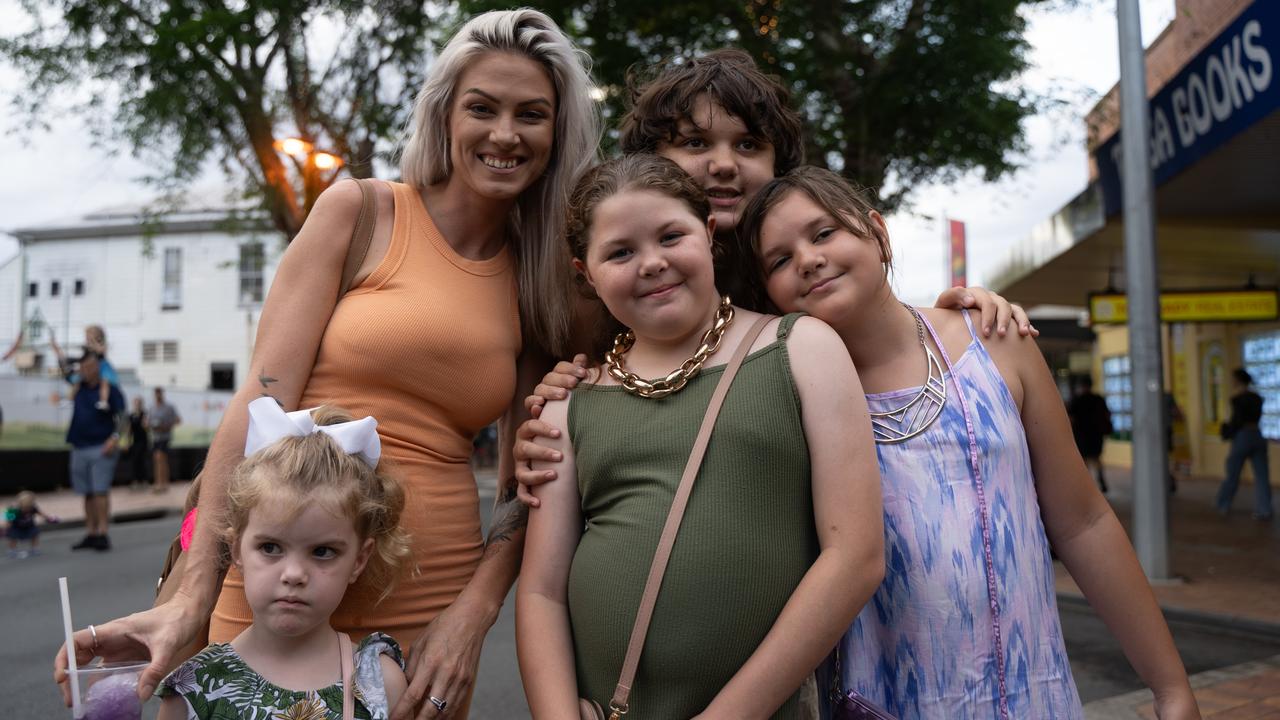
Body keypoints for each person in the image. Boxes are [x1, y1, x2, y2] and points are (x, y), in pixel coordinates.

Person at [56, 10, 601, 718]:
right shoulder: (363, 212)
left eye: (531, 114)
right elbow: (259, 398)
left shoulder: (538, 276)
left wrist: (474, 614)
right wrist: (195, 588)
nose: (505, 134)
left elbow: (523, 482)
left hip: (425, 591)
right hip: (271, 558)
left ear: (557, 134)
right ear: (444, 115)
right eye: (482, 108)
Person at [517, 154, 884, 718]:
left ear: (709, 235)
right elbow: (541, 590)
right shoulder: (570, 401)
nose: (652, 263)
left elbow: (855, 555)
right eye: (620, 252)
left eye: (671, 236)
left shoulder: (801, 347)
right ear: (586, 274)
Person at [150, 399, 410, 719]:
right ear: (235, 550)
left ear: (359, 559)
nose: (294, 574)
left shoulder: (380, 685)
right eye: (271, 547)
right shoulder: (194, 691)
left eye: (322, 551)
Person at [65, 350, 125, 552]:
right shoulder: (78, 387)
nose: (88, 370)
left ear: (98, 367)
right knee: (87, 492)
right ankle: (91, 532)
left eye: (91, 366)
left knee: (100, 491)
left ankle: (103, 532)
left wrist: (114, 438)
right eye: (84, 367)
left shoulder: (109, 389)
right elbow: (63, 368)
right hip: (79, 445)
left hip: (101, 446)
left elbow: (122, 416)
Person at [1216, 368, 1272, 520]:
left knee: (1232, 474)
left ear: (1238, 380)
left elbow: (1236, 421)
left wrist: (1227, 432)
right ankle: (1264, 509)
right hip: (1258, 435)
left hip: (1242, 437)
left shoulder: (1237, 399)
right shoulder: (1258, 398)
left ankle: (1223, 504)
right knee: (1262, 476)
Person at [1067, 375, 1112, 493]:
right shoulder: (1098, 399)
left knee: (1084, 460)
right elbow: (1107, 414)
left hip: (1081, 435)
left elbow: (1071, 419)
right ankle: (1101, 481)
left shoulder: (1076, 400)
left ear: (1080, 386)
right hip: (1096, 434)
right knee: (1097, 458)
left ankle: (1087, 487)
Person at [6, 490, 57, 559]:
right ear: (20, 504)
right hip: (16, 527)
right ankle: (12, 550)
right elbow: (8, 519)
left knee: (35, 534)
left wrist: (49, 519)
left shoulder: (33, 508)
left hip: (29, 526)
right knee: (13, 537)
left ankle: (34, 548)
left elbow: (42, 514)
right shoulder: (14, 510)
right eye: (25, 508)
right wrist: (7, 527)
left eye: (28, 507)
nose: (27, 509)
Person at [149, 387, 181, 493]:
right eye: (156, 393)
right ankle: (159, 482)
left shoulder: (168, 407)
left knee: (161, 458)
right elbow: (147, 421)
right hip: (155, 437)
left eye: (159, 393)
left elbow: (178, 420)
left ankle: (163, 483)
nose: (158, 396)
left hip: (165, 436)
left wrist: (167, 426)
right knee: (157, 459)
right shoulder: (152, 407)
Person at [127, 397, 151, 490]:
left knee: (142, 461)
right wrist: (128, 442)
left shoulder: (145, 414)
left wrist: (145, 423)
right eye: (135, 403)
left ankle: (144, 481)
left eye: (139, 403)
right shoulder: (131, 415)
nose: (137, 405)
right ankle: (135, 481)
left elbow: (147, 427)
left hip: (143, 440)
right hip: (135, 441)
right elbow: (129, 429)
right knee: (134, 461)